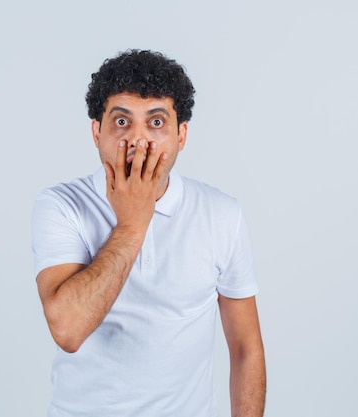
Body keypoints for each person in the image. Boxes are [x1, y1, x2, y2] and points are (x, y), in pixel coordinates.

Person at [31, 49, 266, 417]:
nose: (138, 140)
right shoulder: (61, 206)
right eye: (121, 122)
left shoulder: (223, 214)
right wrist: (132, 222)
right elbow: (68, 330)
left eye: (156, 122)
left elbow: (246, 347)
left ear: (181, 134)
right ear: (97, 131)